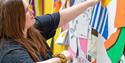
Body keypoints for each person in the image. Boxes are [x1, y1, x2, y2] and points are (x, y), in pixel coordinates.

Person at [0, 0, 101, 63]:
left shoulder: (31, 27)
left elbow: (61, 18)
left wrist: (89, 3)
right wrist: (62, 57)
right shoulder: (10, 52)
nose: (32, 11)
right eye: (26, 10)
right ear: (15, 19)